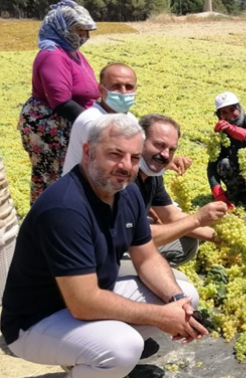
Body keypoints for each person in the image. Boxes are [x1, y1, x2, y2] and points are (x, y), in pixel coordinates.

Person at [1, 114, 208, 378]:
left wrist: (176, 301)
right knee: (123, 348)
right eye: (115, 154)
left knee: (186, 296)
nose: (125, 165)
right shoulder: (65, 209)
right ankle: (92, 359)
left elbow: (147, 258)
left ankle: (88, 360)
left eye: (134, 158)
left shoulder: (127, 192)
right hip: (36, 320)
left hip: (88, 298)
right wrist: (160, 316)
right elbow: (84, 303)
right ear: (88, 152)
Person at [17, 0, 98, 205]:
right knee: (53, 180)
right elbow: (62, 103)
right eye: (79, 30)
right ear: (61, 28)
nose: (84, 36)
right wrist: (98, 125)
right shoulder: (52, 55)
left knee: (70, 179)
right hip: (50, 128)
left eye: (86, 31)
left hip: (69, 125)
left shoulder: (73, 53)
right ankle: (46, 225)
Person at [62, 63, 192, 177]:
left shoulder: (130, 119)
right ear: (101, 90)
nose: (123, 92)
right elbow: (113, 166)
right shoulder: (92, 122)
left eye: (129, 87)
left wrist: (166, 161)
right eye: (116, 86)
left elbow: (136, 157)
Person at [134, 114, 229, 267]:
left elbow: (172, 216)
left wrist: (221, 237)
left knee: (187, 241)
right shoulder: (123, 178)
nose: (165, 154)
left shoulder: (153, 176)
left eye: (171, 149)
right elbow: (138, 236)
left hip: (130, 237)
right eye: (159, 145)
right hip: (106, 251)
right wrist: (197, 218)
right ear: (138, 141)